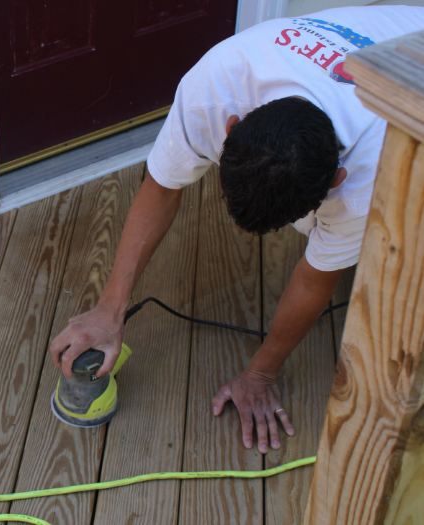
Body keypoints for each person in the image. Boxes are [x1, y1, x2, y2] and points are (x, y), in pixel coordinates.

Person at [49, 5, 424, 455]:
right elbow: (162, 188)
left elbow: (314, 277)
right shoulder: (217, 82)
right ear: (231, 127)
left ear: (336, 180)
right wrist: (109, 310)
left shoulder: (369, 175)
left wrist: (260, 374)